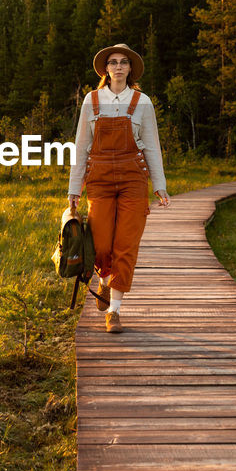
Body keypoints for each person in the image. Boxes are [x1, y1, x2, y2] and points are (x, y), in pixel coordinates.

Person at [68, 43, 170, 333]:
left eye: (124, 62)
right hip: (98, 177)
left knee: (125, 245)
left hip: (133, 178)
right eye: (113, 62)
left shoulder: (143, 101)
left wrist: (159, 185)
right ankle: (103, 278)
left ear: (130, 68)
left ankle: (114, 311)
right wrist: (74, 188)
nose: (118, 67)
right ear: (105, 69)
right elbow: (81, 147)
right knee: (100, 243)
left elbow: (151, 145)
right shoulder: (92, 100)